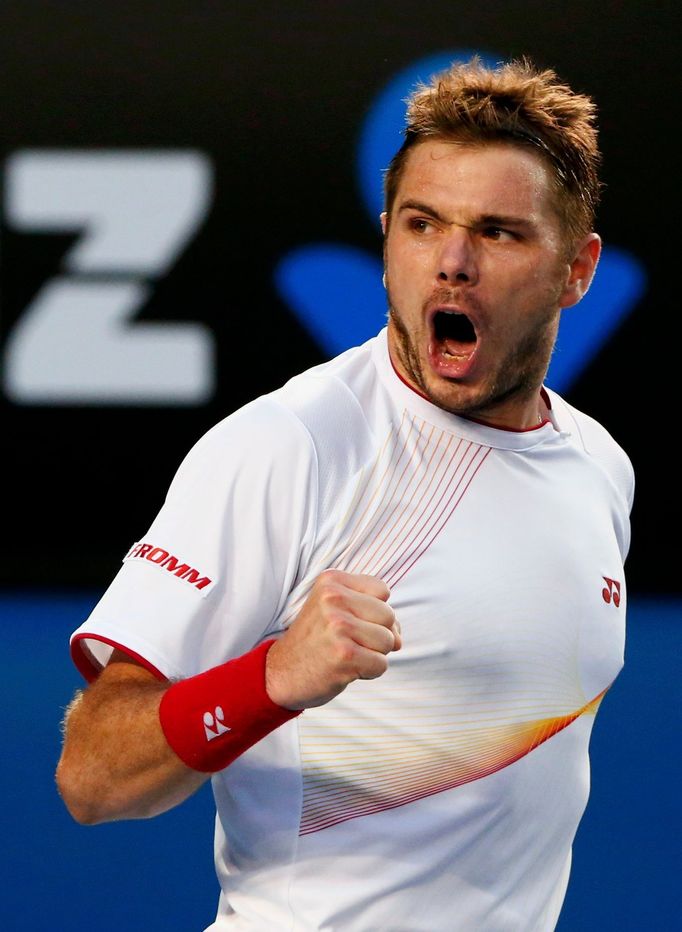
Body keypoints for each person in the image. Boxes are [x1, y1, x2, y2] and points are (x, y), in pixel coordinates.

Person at [56, 56, 634, 931]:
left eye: (499, 233)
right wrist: (274, 677)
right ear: (387, 239)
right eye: (421, 224)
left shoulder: (600, 467)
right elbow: (93, 776)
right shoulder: (290, 445)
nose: (451, 265)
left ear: (576, 269)